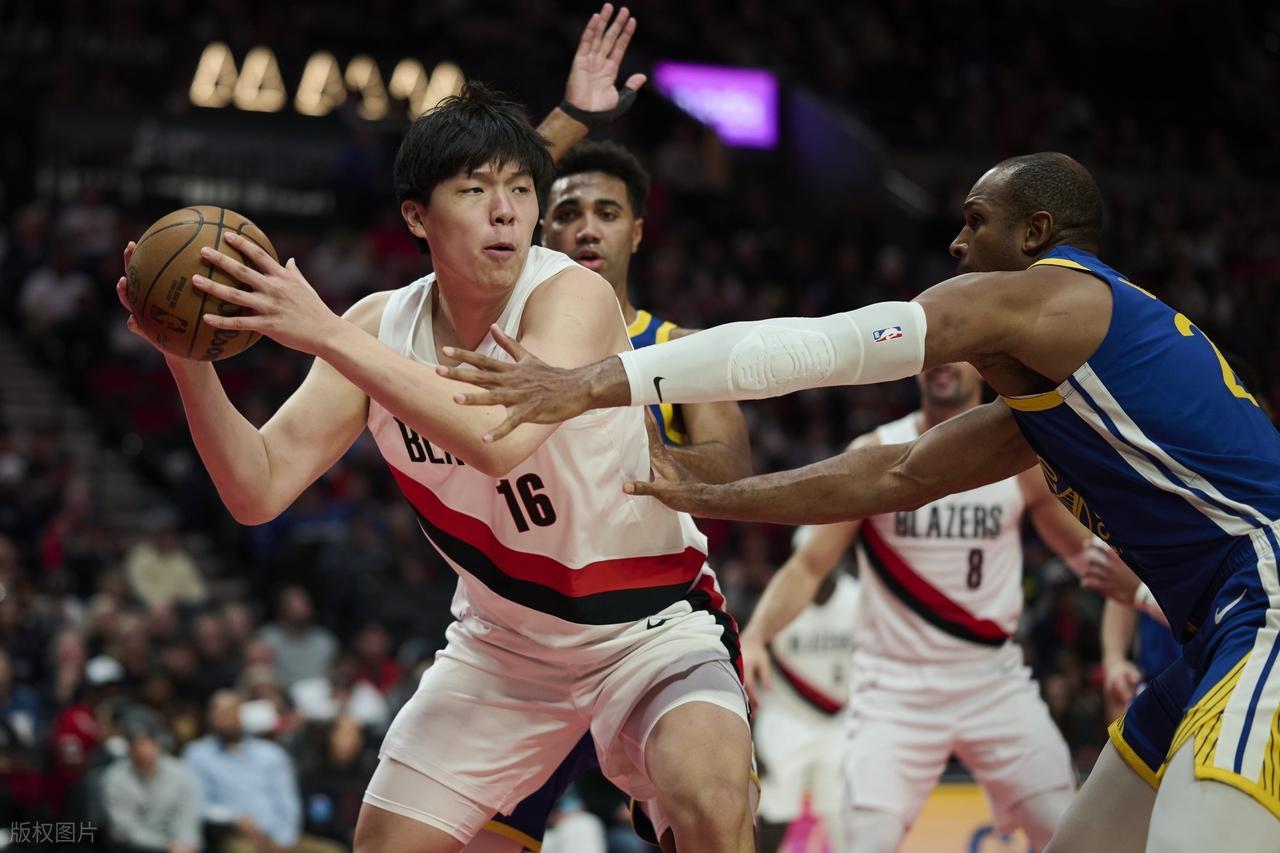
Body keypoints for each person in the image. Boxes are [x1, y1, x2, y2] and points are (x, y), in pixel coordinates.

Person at [440, 151, 1280, 851]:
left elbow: (830, 346)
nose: (956, 242)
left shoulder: (1050, 294)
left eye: (976, 221)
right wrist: (718, 493)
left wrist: (593, 383)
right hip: (1211, 629)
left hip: (1265, 602)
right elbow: (895, 474)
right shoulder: (1066, 388)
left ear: (1035, 234)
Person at [114, 15, 754, 853]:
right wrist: (187, 357)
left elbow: (497, 437)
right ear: (417, 217)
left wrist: (323, 331)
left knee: (711, 805)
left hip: (647, 623)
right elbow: (256, 488)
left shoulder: (572, 296)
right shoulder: (379, 324)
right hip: (505, 648)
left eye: (521, 190)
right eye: (474, 192)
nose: (505, 212)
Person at [473, 138, 753, 853]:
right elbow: (465, 198)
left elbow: (732, 470)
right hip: (526, 630)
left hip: (648, 621)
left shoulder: (680, 348)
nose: (588, 228)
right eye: (569, 212)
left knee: (712, 817)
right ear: (541, 228)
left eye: (607, 212)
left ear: (637, 231)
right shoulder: (499, 336)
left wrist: (652, 454)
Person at [741, 363, 1118, 852]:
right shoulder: (876, 452)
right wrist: (756, 634)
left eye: (957, 353)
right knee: (865, 844)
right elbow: (809, 565)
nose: (943, 363)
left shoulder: (1013, 450)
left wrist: (1151, 601)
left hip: (993, 680)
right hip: (894, 687)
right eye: (934, 353)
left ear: (980, 365)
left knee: (1066, 829)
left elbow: (1088, 556)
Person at [747, 564, 857, 852]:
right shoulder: (780, 597)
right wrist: (752, 741)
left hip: (840, 722)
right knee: (773, 814)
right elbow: (750, 670)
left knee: (844, 819)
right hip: (784, 718)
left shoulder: (857, 599)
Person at [183, 690, 343, 853]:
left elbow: (288, 803)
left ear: (242, 714)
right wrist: (233, 818)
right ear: (210, 717)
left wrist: (284, 840)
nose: (227, 718)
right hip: (235, 837)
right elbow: (198, 804)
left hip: (280, 837)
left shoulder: (271, 753)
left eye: (232, 711)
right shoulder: (198, 755)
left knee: (333, 850)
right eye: (220, 712)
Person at [101, 708, 203, 853]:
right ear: (128, 747)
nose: (142, 749)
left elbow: (188, 818)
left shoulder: (181, 772)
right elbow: (124, 829)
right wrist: (166, 846)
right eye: (136, 744)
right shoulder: (115, 778)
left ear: (158, 742)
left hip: (181, 847)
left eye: (147, 742)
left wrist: (186, 844)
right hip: (138, 849)